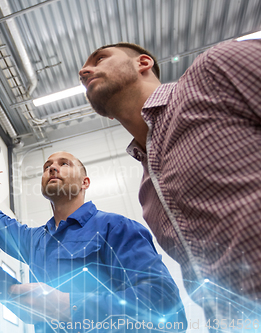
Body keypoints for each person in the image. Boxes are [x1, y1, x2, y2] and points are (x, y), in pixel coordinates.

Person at [79, 39, 261, 323]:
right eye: (84, 70)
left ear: (143, 63)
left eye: (99, 58)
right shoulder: (148, 194)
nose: (84, 70)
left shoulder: (213, 71)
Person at [0, 151, 187, 332]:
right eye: (47, 167)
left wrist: (67, 305)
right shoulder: (36, 240)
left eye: (64, 164)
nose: (53, 168)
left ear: (85, 183)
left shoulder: (115, 227)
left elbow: (166, 305)